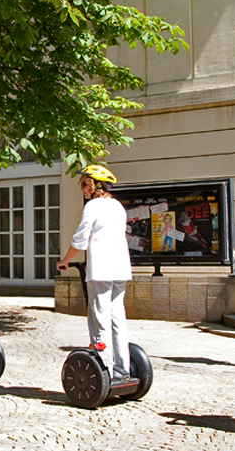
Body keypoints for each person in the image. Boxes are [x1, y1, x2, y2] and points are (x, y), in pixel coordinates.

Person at [56, 164, 133, 384]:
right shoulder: (117, 206)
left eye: (83, 184)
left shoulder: (93, 206)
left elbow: (80, 239)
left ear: (94, 184)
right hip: (120, 268)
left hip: (101, 269)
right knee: (117, 317)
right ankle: (122, 367)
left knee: (99, 317)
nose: (81, 189)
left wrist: (65, 260)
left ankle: (104, 365)